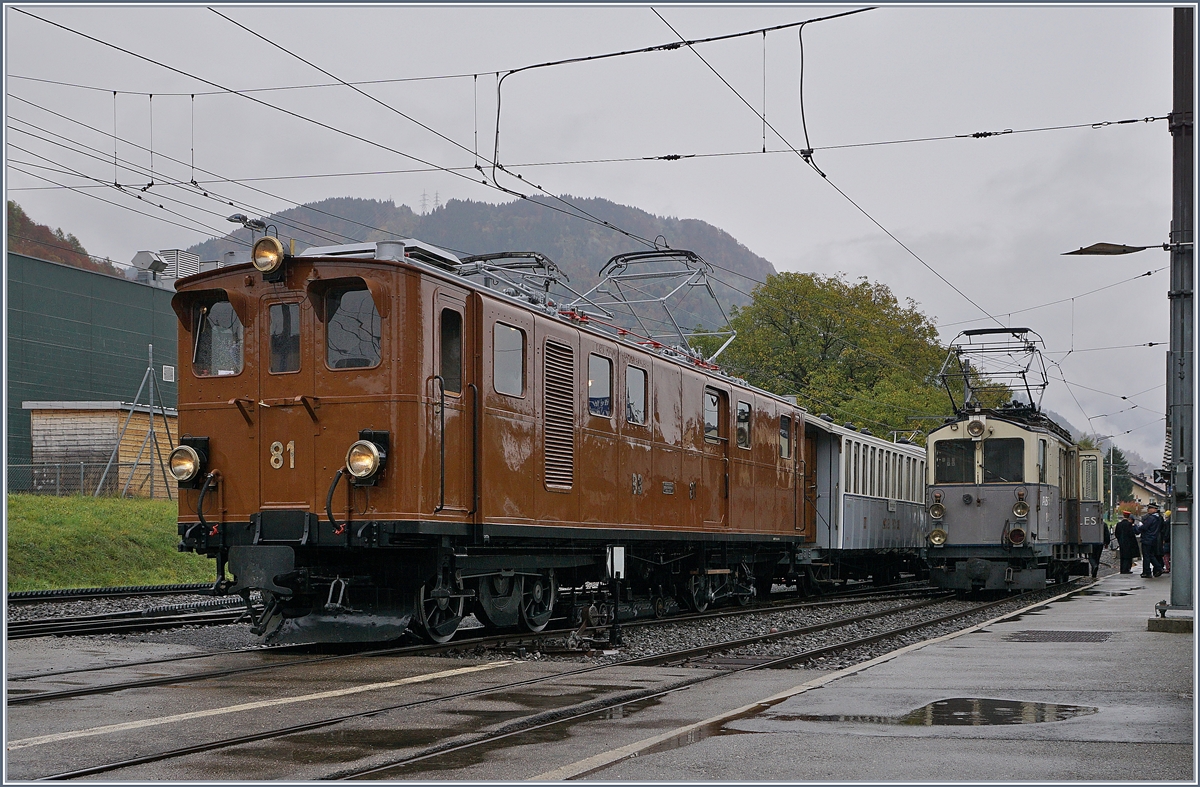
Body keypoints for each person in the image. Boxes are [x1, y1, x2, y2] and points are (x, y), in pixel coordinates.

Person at [1136, 502, 1166, 577]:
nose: (1148, 510)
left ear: (1155, 509)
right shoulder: (1159, 518)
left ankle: (1148, 571)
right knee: (1151, 555)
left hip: (1147, 538)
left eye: (1150, 508)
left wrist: (1136, 528)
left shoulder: (1151, 518)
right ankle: (1158, 568)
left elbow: (1144, 527)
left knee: (1146, 556)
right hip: (1154, 539)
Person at [1115, 510, 1140, 574]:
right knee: (1128, 557)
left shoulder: (1119, 524)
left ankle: (1122, 569)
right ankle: (1126, 569)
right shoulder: (1129, 525)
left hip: (1121, 542)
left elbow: (1116, 534)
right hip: (1129, 543)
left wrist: (1119, 540)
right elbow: (1131, 534)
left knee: (1122, 556)